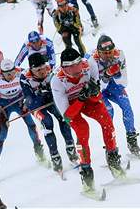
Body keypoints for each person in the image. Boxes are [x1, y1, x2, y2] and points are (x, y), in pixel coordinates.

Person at [51, 47, 125, 192]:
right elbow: (67, 116)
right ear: (63, 68)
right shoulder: (57, 81)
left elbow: (98, 96)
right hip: (72, 106)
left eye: (78, 64)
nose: (76, 70)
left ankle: (114, 161)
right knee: (83, 130)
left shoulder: (89, 64)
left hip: (88, 100)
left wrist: (92, 93)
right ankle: (87, 176)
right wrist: (80, 98)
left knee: (107, 122)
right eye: (70, 67)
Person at [0, 59, 45, 175]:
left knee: (32, 126)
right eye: (7, 73)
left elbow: (37, 81)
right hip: (3, 106)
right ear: (1, 72)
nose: (10, 76)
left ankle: (39, 152)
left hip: (19, 102)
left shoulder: (21, 73)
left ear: (15, 69)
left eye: (12, 72)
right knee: (2, 134)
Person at [20, 52, 79, 173]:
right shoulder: (25, 78)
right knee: (47, 123)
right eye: (38, 70)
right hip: (36, 105)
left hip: (51, 100)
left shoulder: (51, 70)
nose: (42, 72)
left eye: (43, 68)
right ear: (31, 69)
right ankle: (55, 157)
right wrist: (41, 93)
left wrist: (50, 91)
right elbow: (31, 101)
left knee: (63, 117)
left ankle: (71, 149)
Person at [93, 35, 140, 158]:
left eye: (110, 52)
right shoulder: (91, 61)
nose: (108, 55)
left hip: (114, 85)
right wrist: (106, 75)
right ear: (98, 52)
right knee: (109, 112)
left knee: (127, 107)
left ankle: (132, 140)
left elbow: (124, 82)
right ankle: (110, 147)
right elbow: (98, 88)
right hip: (99, 89)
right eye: (105, 53)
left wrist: (116, 74)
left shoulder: (119, 55)